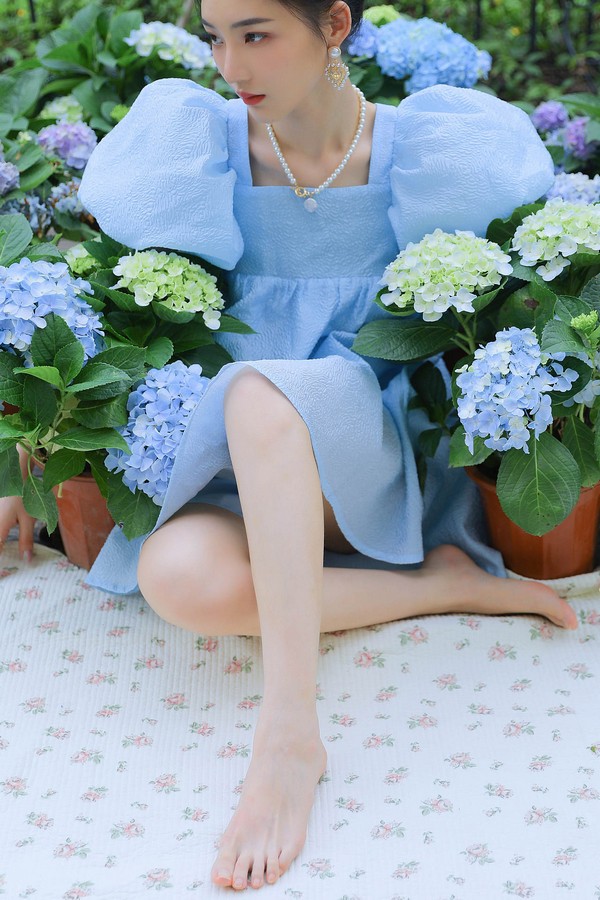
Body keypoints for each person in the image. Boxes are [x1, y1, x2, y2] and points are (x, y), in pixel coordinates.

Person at [0, 0, 580, 891]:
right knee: (175, 580)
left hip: (366, 452)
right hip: (247, 467)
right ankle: (444, 585)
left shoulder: (423, 150)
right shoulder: (201, 149)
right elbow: (111, 308)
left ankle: (288, 735)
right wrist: (23, 456)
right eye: (216, 36)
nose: (231, 66)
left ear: (335, 25)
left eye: (257, 34)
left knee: (261, 393)